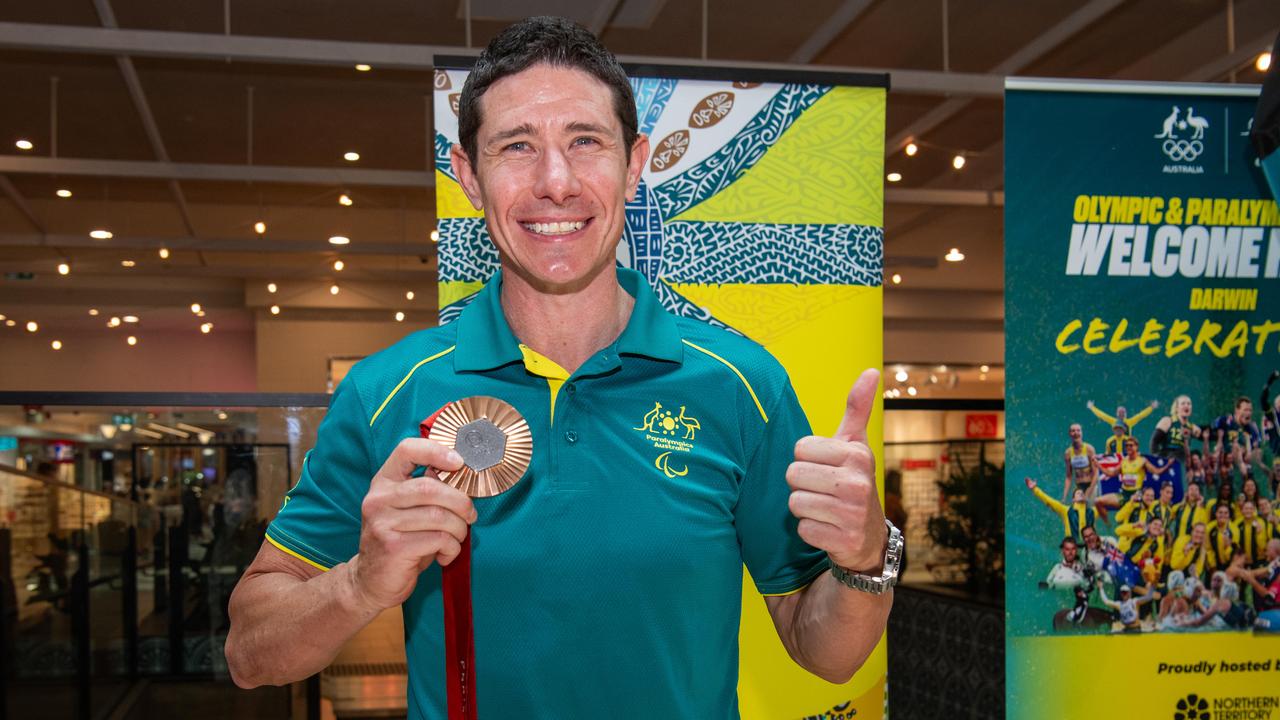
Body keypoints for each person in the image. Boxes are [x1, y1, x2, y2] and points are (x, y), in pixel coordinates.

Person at [223, 17, 894, 717]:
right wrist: (359, 584)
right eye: (517, 146)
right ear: (469, 176)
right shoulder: (384, 391)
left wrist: (868, 556)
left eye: (585, 142)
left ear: (633, 166)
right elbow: (249, 654)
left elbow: (829, 654)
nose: (556, 182)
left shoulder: (741, 385)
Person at [1025, 477, 1096, 543]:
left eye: (1082, 493)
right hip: (1073, 549)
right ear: (1073, 499)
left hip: (1089, 548)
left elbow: (1106, 505)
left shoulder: (1092, 512)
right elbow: (1049, 501)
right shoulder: (1066, 510)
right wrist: (1035, 489)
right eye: (1078, 493)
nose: (1081, 494)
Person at [1151, 394, 1203, 463]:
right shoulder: (1167, 421)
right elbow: (1154, 441)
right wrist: (1156, 459)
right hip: (1167, 457)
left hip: (1182, 459)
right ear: (1176, 408)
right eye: (1183, 403)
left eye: (1189, 404)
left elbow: (1208, 436)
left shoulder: (1193, 428)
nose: (1186, 405)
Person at [1062, 423, 1099, 502]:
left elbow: (1096, 473)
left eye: (1078, 430)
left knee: (1089, 512)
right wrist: (1064, 497)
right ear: (1070, 434)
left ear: (1081, 433)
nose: (1076, 433)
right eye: (1073, 431)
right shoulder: (1068, 453)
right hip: (1078, 487)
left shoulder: (1089, 449)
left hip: (1091, 485)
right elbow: (1068, 476)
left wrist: (1088, 493)